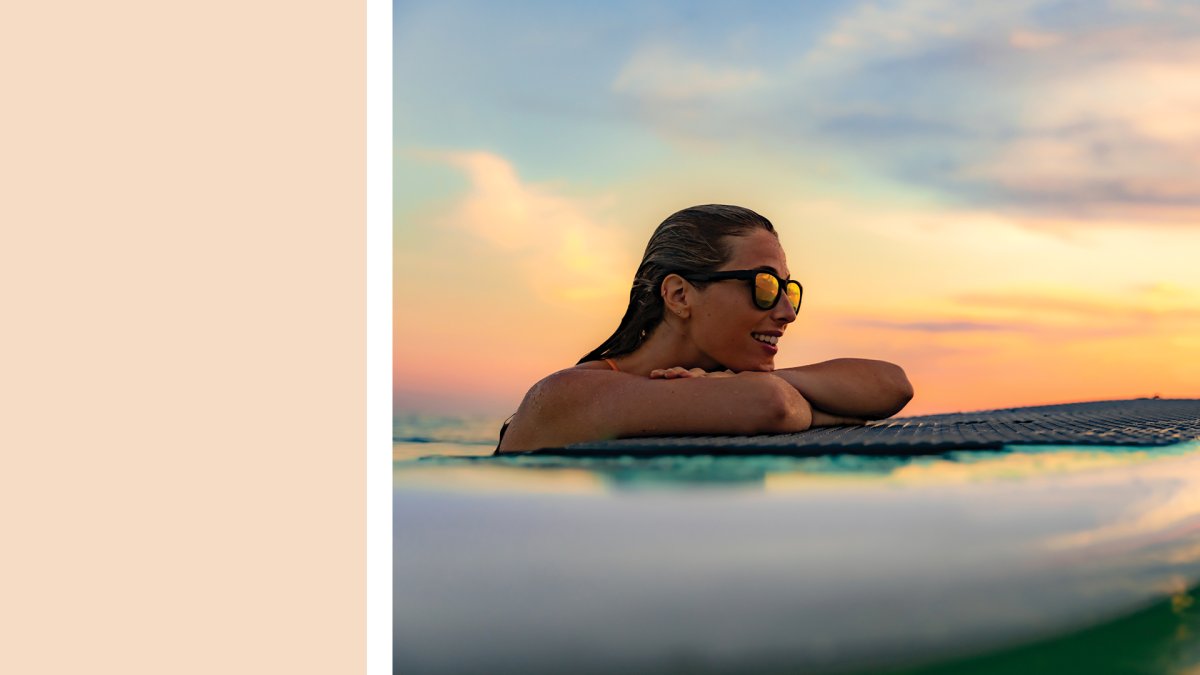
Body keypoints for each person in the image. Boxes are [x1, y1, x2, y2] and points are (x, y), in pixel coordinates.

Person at [495, 204, 913, 453]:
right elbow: (768, 405)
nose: (787, 311)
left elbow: (892, 384)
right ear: (679, 296)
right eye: (764, 286)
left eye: (789, 289)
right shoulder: (565, 396)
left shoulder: (712, 383)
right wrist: (819, 409)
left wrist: (721, 385)